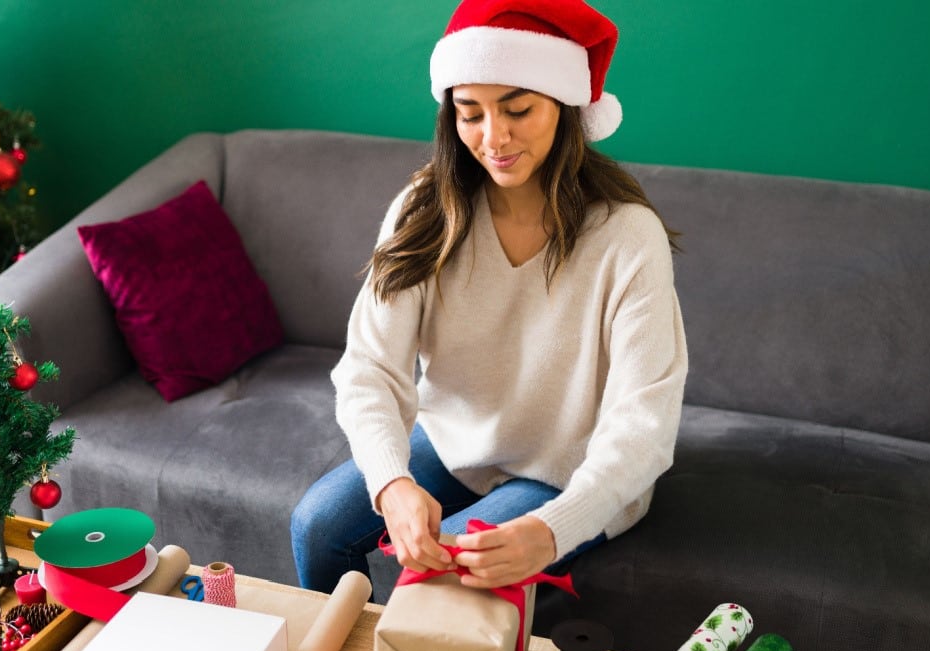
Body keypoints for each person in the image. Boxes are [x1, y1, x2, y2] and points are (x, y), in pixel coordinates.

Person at [291, 0, 687, 593]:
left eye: (517, 109)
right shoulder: (424, 211)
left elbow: (644, 423)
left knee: (439, 583)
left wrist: (554, 529)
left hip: (568, 469)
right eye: (469, 113)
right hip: (457, 443)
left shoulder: (628, 236)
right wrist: (392, 483)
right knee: (316, 524)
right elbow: (369, 369)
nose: (492, 137)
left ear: (564, 106)